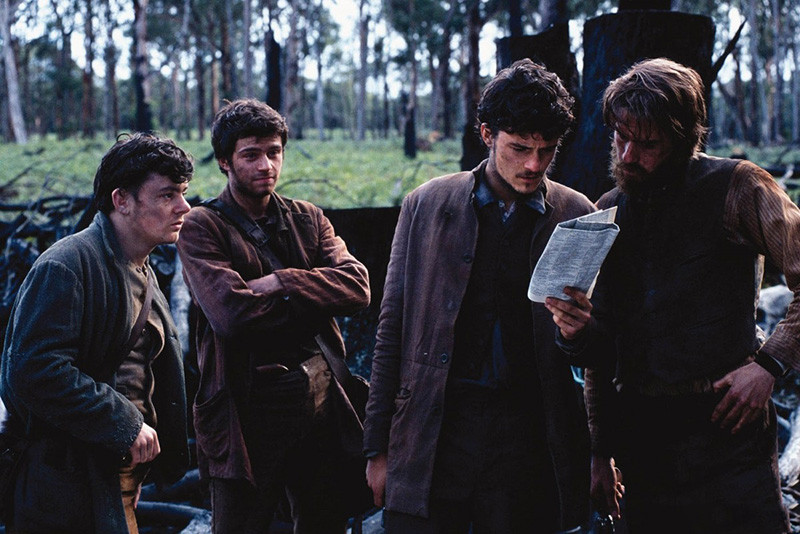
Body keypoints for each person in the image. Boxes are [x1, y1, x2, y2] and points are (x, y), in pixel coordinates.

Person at [547, 58, 799, 533]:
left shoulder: (738, 187)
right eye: (620, 137)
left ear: (683, 140)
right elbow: (604, 353)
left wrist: (769, 365)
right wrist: (599, 450)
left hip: (729, 433)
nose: (627, 156)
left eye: (648, 145)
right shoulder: (609, 210)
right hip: (644, 440)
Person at [363, 59, 594, 533]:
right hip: (434, 431)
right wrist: (377, 449)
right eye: (520, 148)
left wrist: (579, 333)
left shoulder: (575, 215)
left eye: (547, 151)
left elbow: (598, 352)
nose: (533, 165)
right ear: (487, 135)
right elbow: (392, 330)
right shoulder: (427, 205)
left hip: (528, 441)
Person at [176, 98, 370, 534]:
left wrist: (284, 281)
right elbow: (232, 315)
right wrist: (315, 297)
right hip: (246, 407)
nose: (266, 165)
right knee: (241, 524)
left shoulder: (308, 218)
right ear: (224, 161)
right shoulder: (203, 226)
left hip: (320, 396)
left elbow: (357, 287)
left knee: (324, 521)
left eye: (274, 152)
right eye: (251, 154)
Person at [0, 132, 193, 533]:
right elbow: (33, 370)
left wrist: (134, 472)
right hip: (63, 485)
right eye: (167, 195)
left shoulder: (141, 267)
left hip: (111, 477)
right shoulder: (66, 266)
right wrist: (125, 423)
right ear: (121, 200)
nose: (183, 207)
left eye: (183, 193)